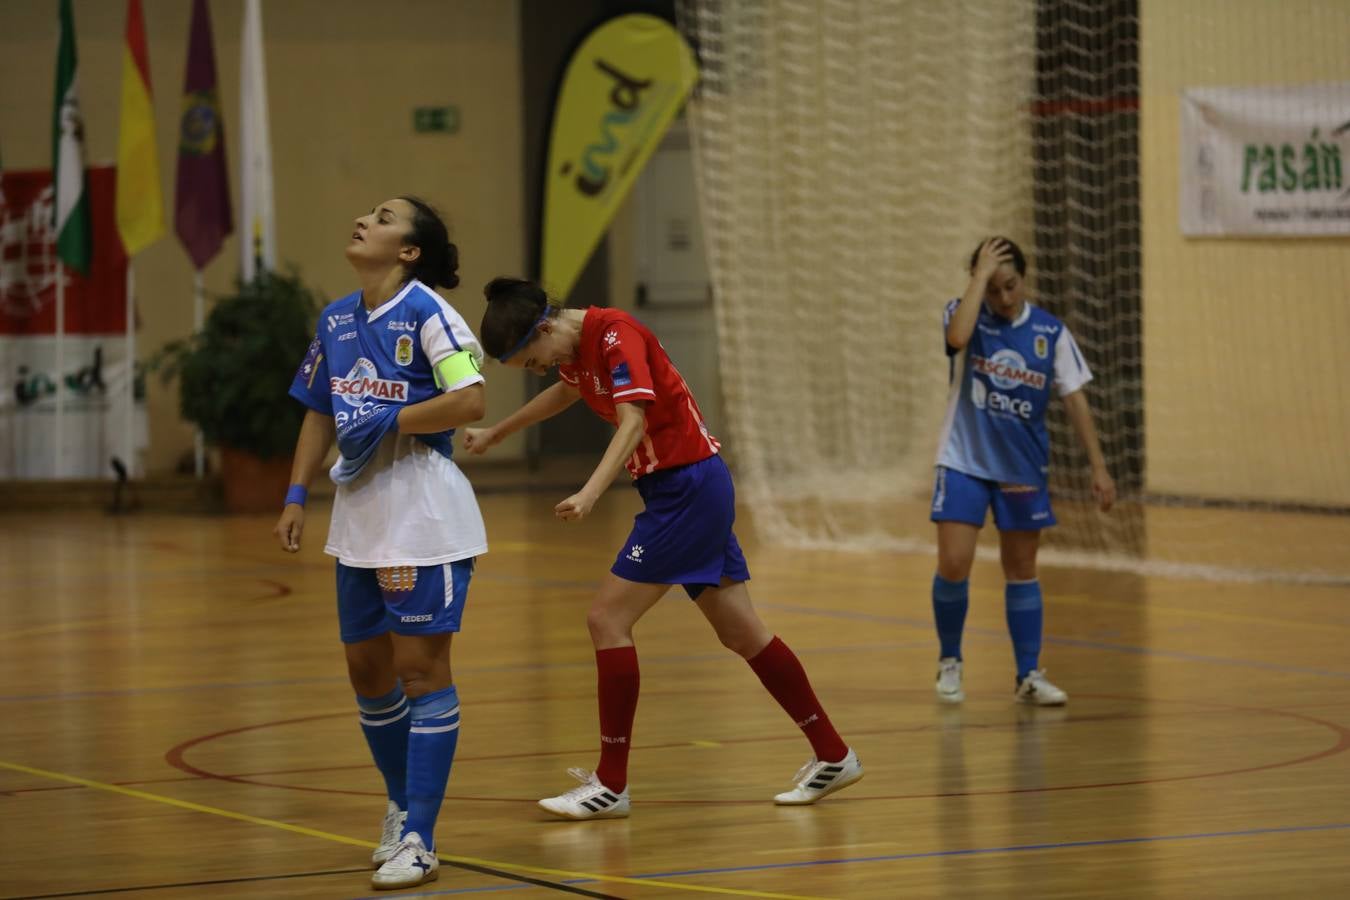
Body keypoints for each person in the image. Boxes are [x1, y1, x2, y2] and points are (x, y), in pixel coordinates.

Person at [464, 277, 862, 820]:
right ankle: (834, 755)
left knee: (606, 619)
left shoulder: (614, 335)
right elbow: (569, 388)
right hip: (688, 488)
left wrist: (589, 492)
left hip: (687, 491)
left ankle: (611, 783)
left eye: (534, 361)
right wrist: (498, 433)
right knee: (742, 632)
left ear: (546, 326)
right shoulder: (577, 349)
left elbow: (633, 422)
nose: (542, 372)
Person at [273, 197, 487, 890]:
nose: (364, 218)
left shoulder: (429, 313)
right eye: (365, 210)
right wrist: (297, 494)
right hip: (358, 515)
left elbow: (470, 399)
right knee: (368, 674)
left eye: (385, 215)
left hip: (421, 512)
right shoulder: (335, 318)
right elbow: (319, 411)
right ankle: (400, 803)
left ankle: (421, 838)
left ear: (409, 250)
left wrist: (396, 416)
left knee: (421, 673)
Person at [930, 237, 1116, 706]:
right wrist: (978, 277)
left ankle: (1028, 675)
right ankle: (950, 661)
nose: (1005, 298)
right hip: (963, 459)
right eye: (993, 290)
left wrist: (1099, 466)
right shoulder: (963, 314)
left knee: (1022, 570)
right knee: (954, 563)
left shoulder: (1051, 333)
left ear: (1025, 280)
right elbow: (956, 339)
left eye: (1011, 286)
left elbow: (1074, 397)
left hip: (1021, 466)